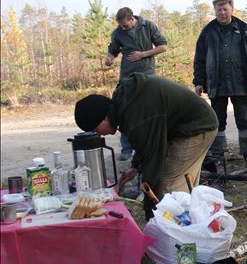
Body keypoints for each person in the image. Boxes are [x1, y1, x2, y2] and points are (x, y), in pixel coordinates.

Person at [74, 73, 218, 218]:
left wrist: (151, 211)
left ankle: (175, 230)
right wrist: (135, 168)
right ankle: (187, 224)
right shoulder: (127, 105)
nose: (99, 134)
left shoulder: (136, 116)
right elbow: (146, 144)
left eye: (95, 129)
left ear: (104, 118)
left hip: (197, 128)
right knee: (180, 186)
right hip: (183, 128)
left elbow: (153, 162)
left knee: (169, 187)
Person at [193, 0, 247, 166]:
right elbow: (200, 58)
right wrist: (199, 81)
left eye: (225, 9)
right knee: (217, 119)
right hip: (216, 82)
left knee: (244, 118)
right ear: (215, 10)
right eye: (219, 10)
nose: (222, 13)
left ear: (232, 9)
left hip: (240, 81)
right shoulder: (208, 31)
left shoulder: (244, 29)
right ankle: (218, 154)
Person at [105, 7, 168, 161]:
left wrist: (143, 54)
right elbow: (113, 50)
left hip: (148, 75)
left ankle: (153, 147)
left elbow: (163, 46)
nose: (123, 28)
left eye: (125, 25)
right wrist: (109, 58)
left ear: (132, 19)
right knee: (124, 111)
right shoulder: (118, 33)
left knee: (151, 111)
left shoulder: (148, 26)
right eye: (120, 26)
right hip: (127, 77)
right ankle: (126, 149)